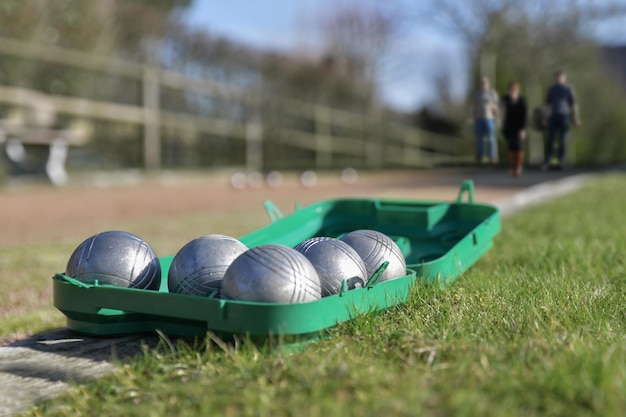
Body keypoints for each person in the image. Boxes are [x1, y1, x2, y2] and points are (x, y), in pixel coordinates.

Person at [543, 70, 580, 169]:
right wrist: (545, 118)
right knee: (550, 138)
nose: (559, 79)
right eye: (558, 77)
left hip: (564, 116)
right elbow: (547, 104)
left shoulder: (568, 89)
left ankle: (561, 160)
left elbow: (574, 104)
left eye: (561, 77)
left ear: (564, 78)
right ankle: (548, 160)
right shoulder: (552, 89)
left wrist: (576, 117)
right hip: (553, 116)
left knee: (563, 139)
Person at [470, 76, 500, 164]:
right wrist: (473, 119)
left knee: (491, 139)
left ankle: (492, 157)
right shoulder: (477, 95)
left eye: (485, 82)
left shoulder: (492, 94)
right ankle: (480, 157)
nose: (483, 84)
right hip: (479, 119)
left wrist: (496, 119)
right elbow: (474, 108)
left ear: (488, 83)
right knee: (480, 139)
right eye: (482, 83)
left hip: (489, 119)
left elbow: (496, 108)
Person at [501, 81, 527, 177]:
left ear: (517, 90)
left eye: (514, 89)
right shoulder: (506, 99)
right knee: (511, 147)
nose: (512, 91)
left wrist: (523, 130)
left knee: (518, 147)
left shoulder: (521, 100)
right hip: (508, 127)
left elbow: (524, 116)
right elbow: (500, 104)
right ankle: (512, 168)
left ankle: (518, 167)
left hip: (519, 127)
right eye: (511, 89)